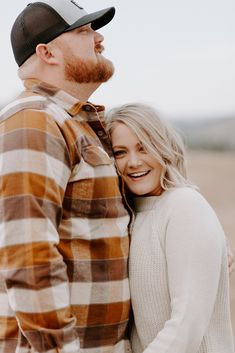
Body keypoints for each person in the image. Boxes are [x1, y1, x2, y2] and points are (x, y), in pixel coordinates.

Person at [0, 1, 131, 353]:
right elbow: (28, 256)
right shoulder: (35, 121)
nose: (99, 38)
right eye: (84, 31)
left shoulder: (68, 123)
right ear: (48, 52)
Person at [106, 103, 235, 353]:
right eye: (120, 152)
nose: (133, 162)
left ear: (163, 148)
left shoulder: (184, 206)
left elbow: (186, 325)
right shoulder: (130, 216)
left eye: (144, 148)